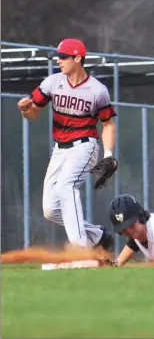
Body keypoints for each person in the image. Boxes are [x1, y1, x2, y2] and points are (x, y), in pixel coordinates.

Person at [17, 38, 115, 250]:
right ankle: (98, 236)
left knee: (66, 187)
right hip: (60, 150)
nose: (58, 61)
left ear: (77, 58)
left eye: (63, 57)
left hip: (85, 146)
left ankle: (80, 249)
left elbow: (108, 125)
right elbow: (34, 113)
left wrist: (108, 154)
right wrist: (26, 110)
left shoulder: (97, 90)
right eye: (58, 57)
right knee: (50, 209)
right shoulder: (53, 82)